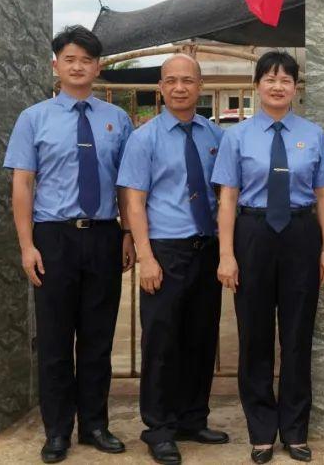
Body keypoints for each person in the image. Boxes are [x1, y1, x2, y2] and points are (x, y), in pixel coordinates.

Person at [4, 25, 134, 463]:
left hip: (103, 235)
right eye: (70, 58)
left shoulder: (118, 119)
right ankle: (57, 430)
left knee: (98, 340)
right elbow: (22, 185)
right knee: (57, 340)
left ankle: (95, 424)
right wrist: (27, 245)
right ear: (56, 65)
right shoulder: (34, 118)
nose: (79, 66)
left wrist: (128, 234)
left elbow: (126, 185)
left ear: (98, 67)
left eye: (87, 60)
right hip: (53, 237)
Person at [213, 51, 324, 464]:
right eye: (269, 78)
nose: (278, 85)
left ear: (296, 87)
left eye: (286, 79)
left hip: (301, 234)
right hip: (253, 233)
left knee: (298, 336)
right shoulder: (236, 136)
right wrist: (227, 254)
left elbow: (323, 195)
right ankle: (262, 431)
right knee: (255, 336)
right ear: (257, 85)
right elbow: (228, 197)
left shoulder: (313, 134)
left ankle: (296, 431)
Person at [117, 55, 229, 464]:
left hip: (207, 247)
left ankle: (192, 418)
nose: (180, 88)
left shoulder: (215, 136)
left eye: (188, 81)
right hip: (165, 249)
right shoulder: (143, 139)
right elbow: (134, 202)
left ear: (200, 86)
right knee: (162, 341)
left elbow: (224, 194)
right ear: (160, 87)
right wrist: (146, 256)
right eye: (171, 81)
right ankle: (159, 427)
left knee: (201, 338)